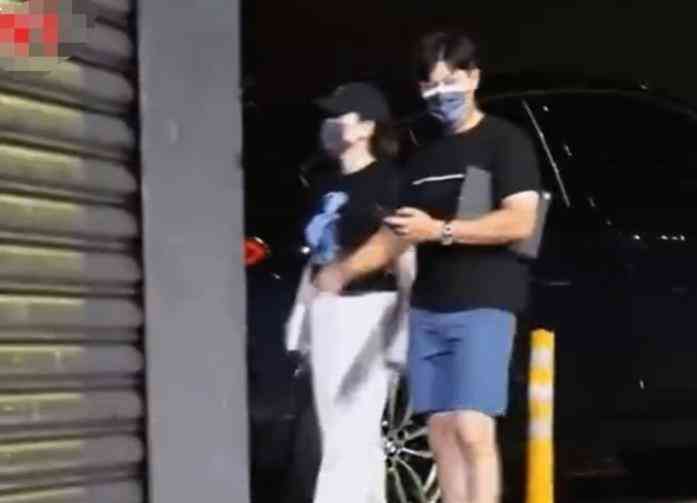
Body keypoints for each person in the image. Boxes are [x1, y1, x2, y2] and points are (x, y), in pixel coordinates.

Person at [314, 32, 542, 503]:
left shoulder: (504, 142)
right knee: (440, 430)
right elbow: (396, 235)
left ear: (473, 78)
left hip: (485, 301)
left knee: (472, 426)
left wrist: (439, 230)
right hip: (430, 308)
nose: (442, 95)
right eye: (432, 86)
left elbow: (521, 219)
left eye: (451, 81)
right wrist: (343, 271)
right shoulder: (423, 159)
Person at [285, 82, 416, 503]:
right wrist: (301, 317)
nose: (329, 124)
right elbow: (317, 256)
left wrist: (403, 330)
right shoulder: (323, 185)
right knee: (338, 430)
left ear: (365, 128)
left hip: (371, 309)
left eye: (339, 116)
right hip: (327, 313)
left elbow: (404, 258)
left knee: (352, 429)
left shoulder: (389, 181)